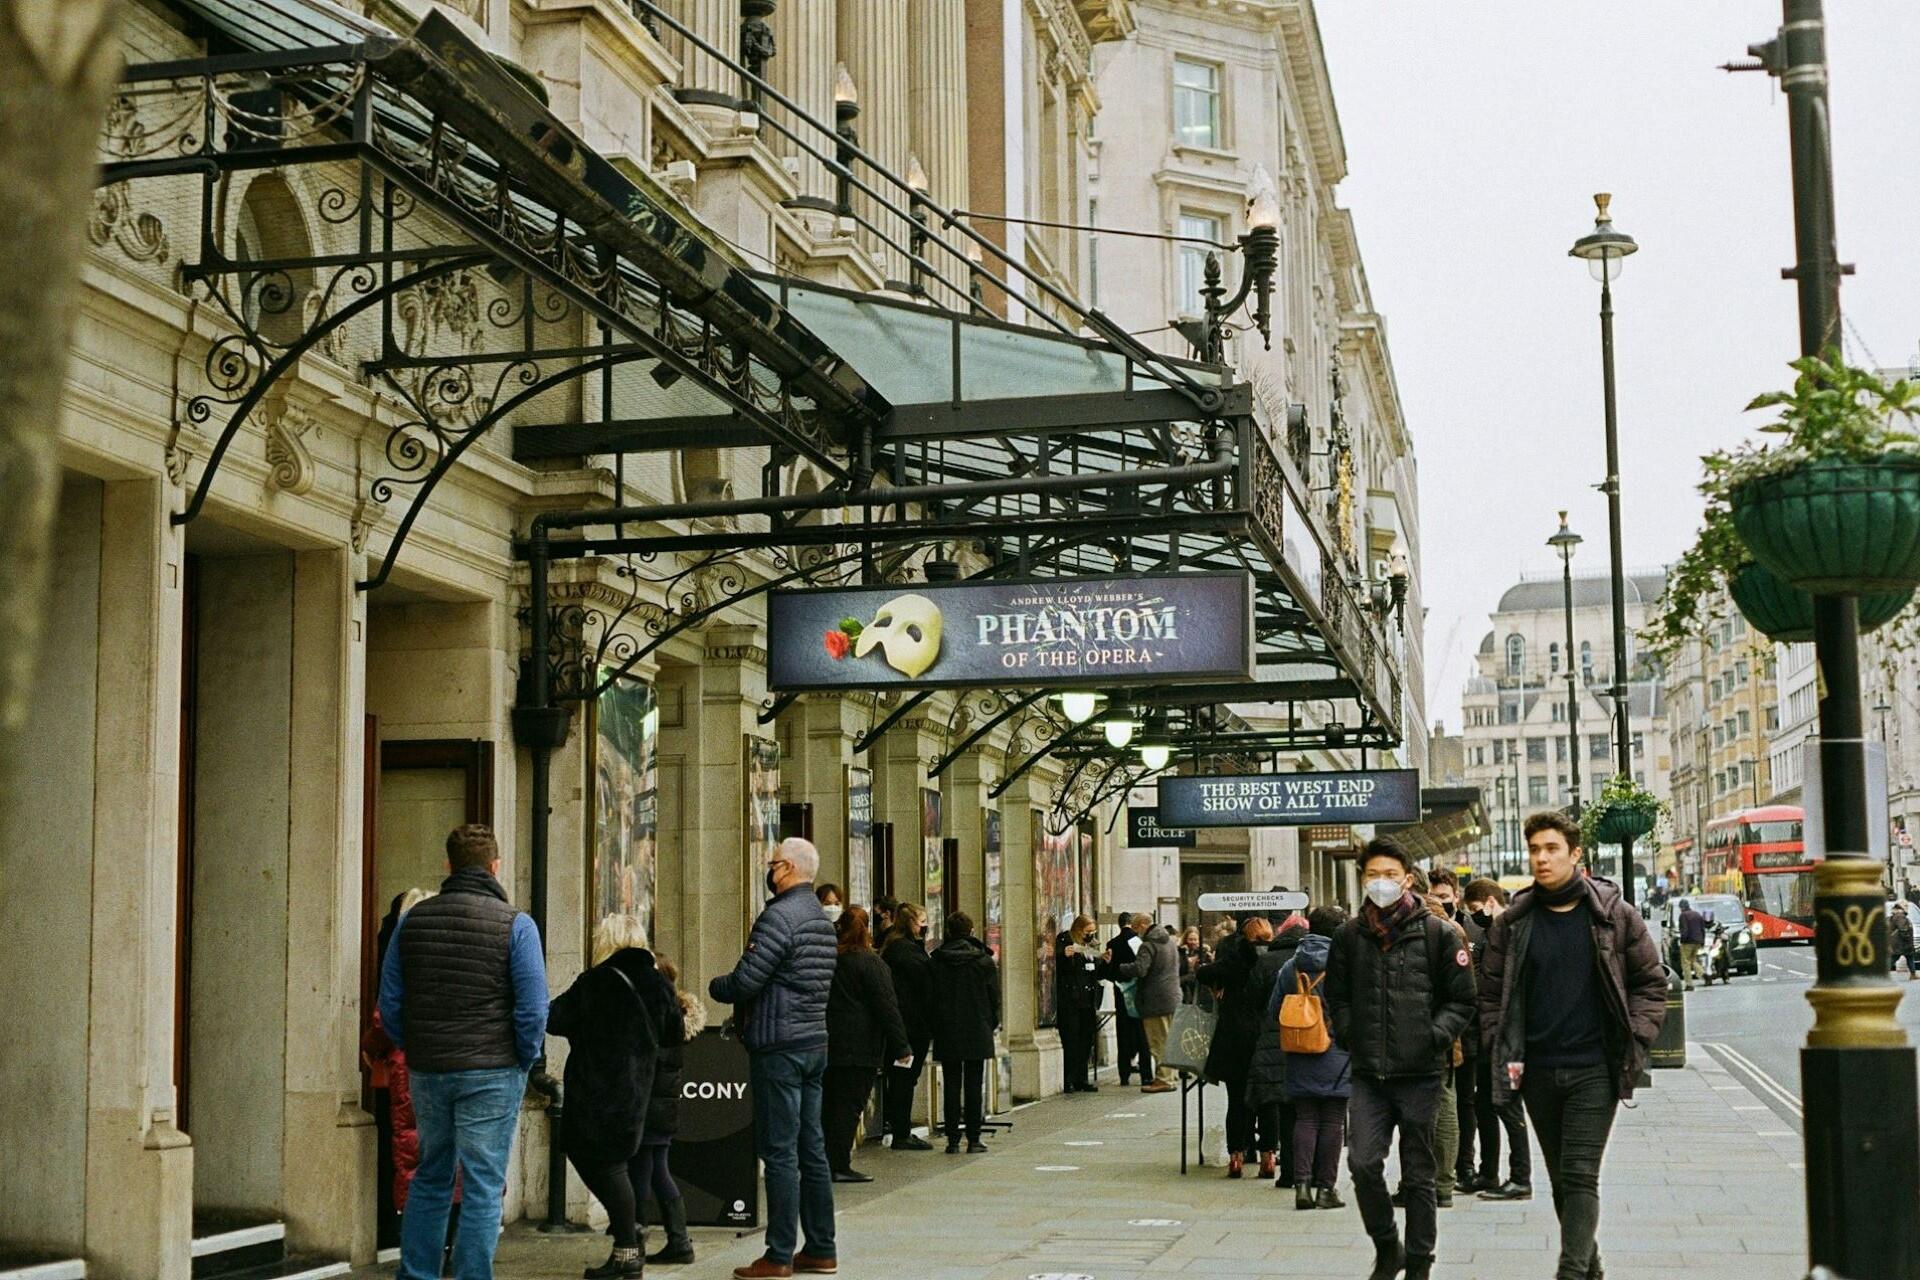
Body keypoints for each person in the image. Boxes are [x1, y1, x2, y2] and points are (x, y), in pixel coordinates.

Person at [1480, 811, 1667, 1280]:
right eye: (1535, 850)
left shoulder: (1614, 916)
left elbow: (1651, 982)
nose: (1541, 859)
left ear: (1575, 854)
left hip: (1594, 1070)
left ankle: (1570, 1272)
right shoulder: (1514, 922)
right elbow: (1489, 993)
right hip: (1538, 1070)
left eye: (1551, 849)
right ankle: (1592, 1268)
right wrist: (1496, 1041)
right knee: (1562, 1179)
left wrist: (1638, 1036)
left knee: (1581, 1174)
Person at [377, 825, 548, 1280]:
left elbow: (390, 1001)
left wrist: (414, 1046)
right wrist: (523, 1059)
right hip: (493, 1069)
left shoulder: (412, 920)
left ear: (448, 866)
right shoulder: (516, 924)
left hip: (430, 1068)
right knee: (482, 1184)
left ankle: (417, 1275)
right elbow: (533, 1008)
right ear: (495, 867)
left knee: (430, 1176)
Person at [1325, 836, 1475, 1280]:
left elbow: (1463, 1001)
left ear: (1407, 879)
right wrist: (1350, 1032)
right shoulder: (1349, 937)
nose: (1382, 883)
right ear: (1362, 879)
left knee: (1419, 1175)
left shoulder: (1438, 934)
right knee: (1363, 1163)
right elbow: (1337, 996)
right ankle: (1388, 1244)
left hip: (1421, 1073)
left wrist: (1434, 1036)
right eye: (1373, 875)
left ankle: (1421, 1263)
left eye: (1391, 875)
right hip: (1369, 1073)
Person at [708, 836, 839, 1280]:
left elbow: (747, 980)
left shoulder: (779, 917)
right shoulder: (820, 919)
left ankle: (779, 1254)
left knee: (780, 1153)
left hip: (779, 1046)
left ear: (786, 869)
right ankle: (821, 1247)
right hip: (812, 1043)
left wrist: (715, 986)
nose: (770, 870)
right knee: (812, 1149)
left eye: (772, 863)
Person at [547, 913, 681, 1279]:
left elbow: (554, 1018)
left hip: (595, 1090)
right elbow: (674, 1032)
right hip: (637, 1090)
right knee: (614, 1165)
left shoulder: (596, 981)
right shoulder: (657, 982)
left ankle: (627, 1247)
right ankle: (628, 1242)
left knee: (603, 1164)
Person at [362, 890, 461, 1260]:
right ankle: (449, 1244)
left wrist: (373, 1048)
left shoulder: (403, 953)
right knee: (451, 1158)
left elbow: (386, 1013)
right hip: (457, 1062)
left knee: (414, 1156)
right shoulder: (453, 957)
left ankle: (420, 1249)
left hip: (409, 1065)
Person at [824, 906, 911, 1182]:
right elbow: (887, 1007)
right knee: (849, 1107)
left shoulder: (829, 960)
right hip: (859, 1047)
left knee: (828, 1105)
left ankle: (824, 1162)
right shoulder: (870, 963)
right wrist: (902, 1047)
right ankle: (838, 1164)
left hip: (827, 1043)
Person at [1274, 905, 1351, 1210]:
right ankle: (1326, 1189)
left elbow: (1274, 1010)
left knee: (1305, 1117)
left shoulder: (1292, 965)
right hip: (1338, 1049)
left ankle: (1301, 1185)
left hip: (1300, 1048)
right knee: (1333, 1120)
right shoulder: (1348, 964)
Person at [1461, 878, 1530, 1202]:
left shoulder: (1511, 929)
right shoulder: (1495, 930)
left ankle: (1521, 1176)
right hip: (1493, 1035)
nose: (1475, 916)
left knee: (1508, 1103)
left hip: (1510, 1037)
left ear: (1490, 901)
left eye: (1476, 909)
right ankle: (1491, 1173)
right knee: (1488, 1101)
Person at [1196, 914, 1276, 1178]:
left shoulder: (1235, 959)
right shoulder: (1276, 961)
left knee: (1237, 1101)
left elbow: (1202, 973)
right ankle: (1268, 1158)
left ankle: (1236, 1158)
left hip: (1235, 1039)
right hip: (1266, 1038)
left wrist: (1217, 986)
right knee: (1268, 1102)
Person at [640, 958, 705, 1266]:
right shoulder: (675, 1017)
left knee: (647, 1170)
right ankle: (677, 1241)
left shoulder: (658, 1017)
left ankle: (636, 1241)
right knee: (654, 1169)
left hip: (649, 1106)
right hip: (662, 1108)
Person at [1246, 911, 1310, 1185]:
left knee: (1284, 1107)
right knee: (1311, 1111)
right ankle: (1310, 1173)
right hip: (1312, 1038)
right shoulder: (1313, 961)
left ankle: (1289, 1173)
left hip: (1275, 1037)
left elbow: (1255, 998)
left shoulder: (1270, 961)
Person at [930, 911, 1001, 1153]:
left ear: (948, 932)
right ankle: (973, 1138)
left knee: (951, 1084)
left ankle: (952, 1139)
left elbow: (931, 997)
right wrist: (989, 1023)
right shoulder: (983, 961)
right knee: (974, 1084)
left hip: (947, 1028)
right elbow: (994, 999)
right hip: (977, 1028)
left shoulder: (937, 961)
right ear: (971, 932)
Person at [878, 903, 935, 1151]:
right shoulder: (906, 952)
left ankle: (899, 1126)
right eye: (921, 920)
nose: (924, 925)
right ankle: (901, 1132)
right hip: (910, 1026)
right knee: (904, 1078)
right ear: (910, 923)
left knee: (903, 1077)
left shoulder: (897, 947)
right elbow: (926, 982)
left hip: (908, 1024)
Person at [1107, 913, 1181, 1093]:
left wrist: (1117, 966)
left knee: (1158, 1041)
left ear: (1141, 925)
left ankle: (1164, 1079)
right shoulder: (1169, 942)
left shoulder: (1148, 945)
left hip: (1154, 1000)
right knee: (1169, 1039)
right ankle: (1171, 1076)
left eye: (1134, 928)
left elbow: (1140, 969)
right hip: (1171, 997)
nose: (1134, 933)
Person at [1055, 914, 1103, 1092]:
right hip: (1072, 1000)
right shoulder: (1066, 940)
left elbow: (1096, 969)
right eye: (1087, 931)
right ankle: (1069, 1078)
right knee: (1071, 1039)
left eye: (1093, 931)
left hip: (1088, 1001)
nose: (1090, 934)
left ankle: (1081, 1077)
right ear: (1078, 929)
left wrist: (1103, 958)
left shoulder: (1089, 947)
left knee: (1085, 1040)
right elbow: (1060, 966)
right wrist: (1064, 956)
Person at [1104, 914, 1152, 1085]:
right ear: (1132, 924)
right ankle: (1146, 1074)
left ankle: (1124, 1074)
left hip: (1121, 993)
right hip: (1139, 994)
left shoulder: (1112, 944)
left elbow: (1109, 971)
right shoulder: (1139, 943)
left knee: (1123, 1033)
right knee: (1142, 1034)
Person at [1675, 898, 1708, 991]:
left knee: (1685, 962)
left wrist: (1682, 940)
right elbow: (1702, 929)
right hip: (1698, 941)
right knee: (1693, 960)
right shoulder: (1697, 914)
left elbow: (1684, 930)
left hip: (1688, 942)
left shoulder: (1683, 915)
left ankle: (1689, 984)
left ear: (1682, 907)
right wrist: (1702, 941)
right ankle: (1703, 974)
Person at [1177, 925, 1213, 1005]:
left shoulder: (1203, 953)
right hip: (1184, 988)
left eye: (1195, 940)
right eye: (1190, 939)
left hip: (1199, 989)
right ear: (1186, 939)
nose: (1193, 942)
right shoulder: (1180, 952)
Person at [1892, 904, 1916, 979]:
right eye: (1905, 906)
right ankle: (1882, 974)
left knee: (1910, 957)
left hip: (1901, 943)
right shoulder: (1900, 916)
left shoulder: (1897, 916)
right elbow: (1903, 929)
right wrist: (1907, 937)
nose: (1907, 907)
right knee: (1894, 958)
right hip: (1902, 943)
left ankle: (1913, 974)